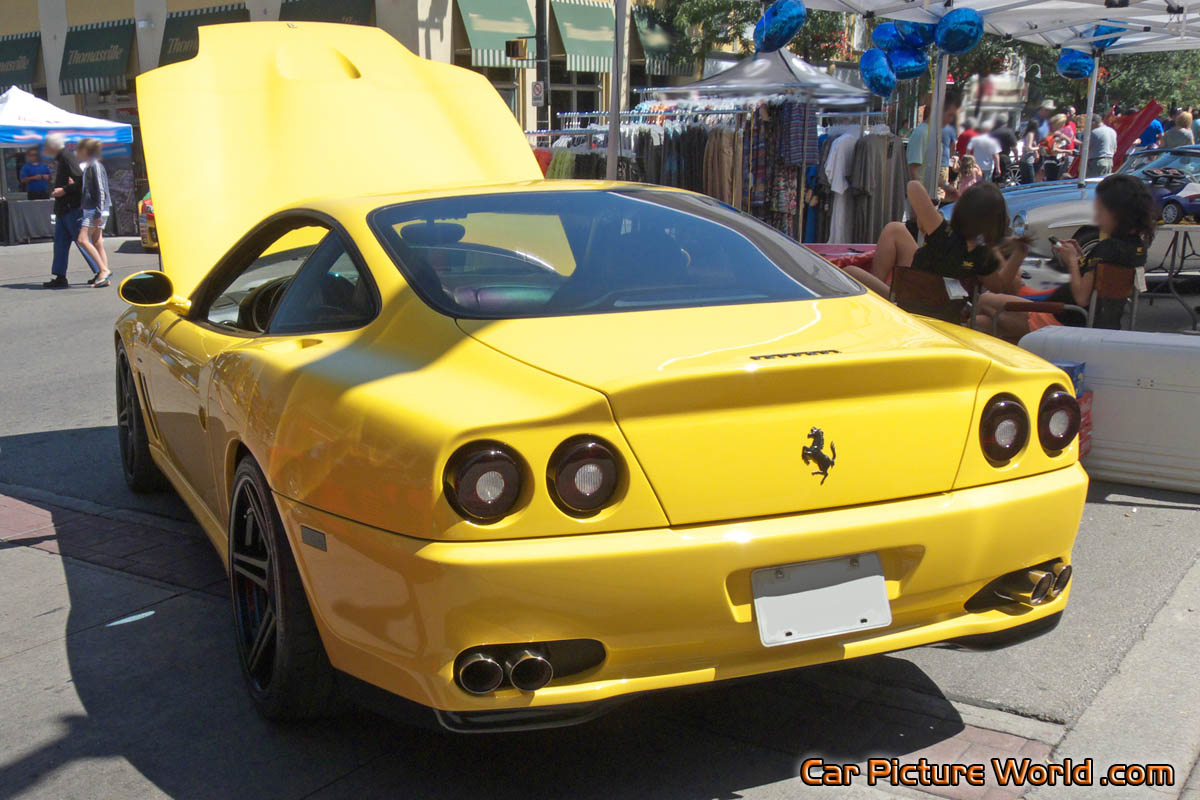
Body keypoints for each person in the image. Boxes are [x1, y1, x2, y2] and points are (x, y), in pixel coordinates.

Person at [975, 174, 1154, 338]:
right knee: (981, 324)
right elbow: (1095, 284)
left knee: (984, 301)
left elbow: (1082, 297)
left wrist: (1072, 263)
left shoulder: (1109, 248)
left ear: (1116, 212)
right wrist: (1079, 259)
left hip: (1060, 320)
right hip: (1080, 320)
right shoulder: (1135, 247)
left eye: (1100, 211)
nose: (1097, 218)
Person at [854, 181, 1027, 294]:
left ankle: (876, 297)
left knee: (848, 273)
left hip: (909, 303)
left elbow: (913, 186)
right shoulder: (983, 256)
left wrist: (937, 210)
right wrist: (1020, 252)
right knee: (896, 230)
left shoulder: (943, 232)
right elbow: (1000, 286)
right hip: (942, 307)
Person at [41, 133, 97, 289]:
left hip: (71, 208)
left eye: (46, 146)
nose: (44, 149)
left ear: (53, 146)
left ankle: (101, 272)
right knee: (60, 244)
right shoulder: (63, 158)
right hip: (64, 209)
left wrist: (64, 190)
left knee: (83, 242)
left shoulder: (67, 157)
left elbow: (80, 181)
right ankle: (60, 276)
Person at [76, 139, 112, 288]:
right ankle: (103, 276)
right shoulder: (91, 166)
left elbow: (101, 190)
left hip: (95, 209)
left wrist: (98, 212)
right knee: (97, 242)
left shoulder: (94, 166)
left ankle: (104, 270)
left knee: (83, 239)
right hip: (96, 208)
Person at [907, 106, 930, 183]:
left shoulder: (930, 132)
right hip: (921, 190)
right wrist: (920, 193)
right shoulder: (922, 133)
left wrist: (946, 185)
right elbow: (913, 170)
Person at [1019, 119, 1041, 184]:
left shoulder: (1028, 133)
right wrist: (1038, 148)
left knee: (1025, 181)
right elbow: (1029, 148)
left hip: (1026, 160)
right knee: (1031, 181)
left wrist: (1036, 152)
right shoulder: (1030, 134)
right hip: (1027, 160)